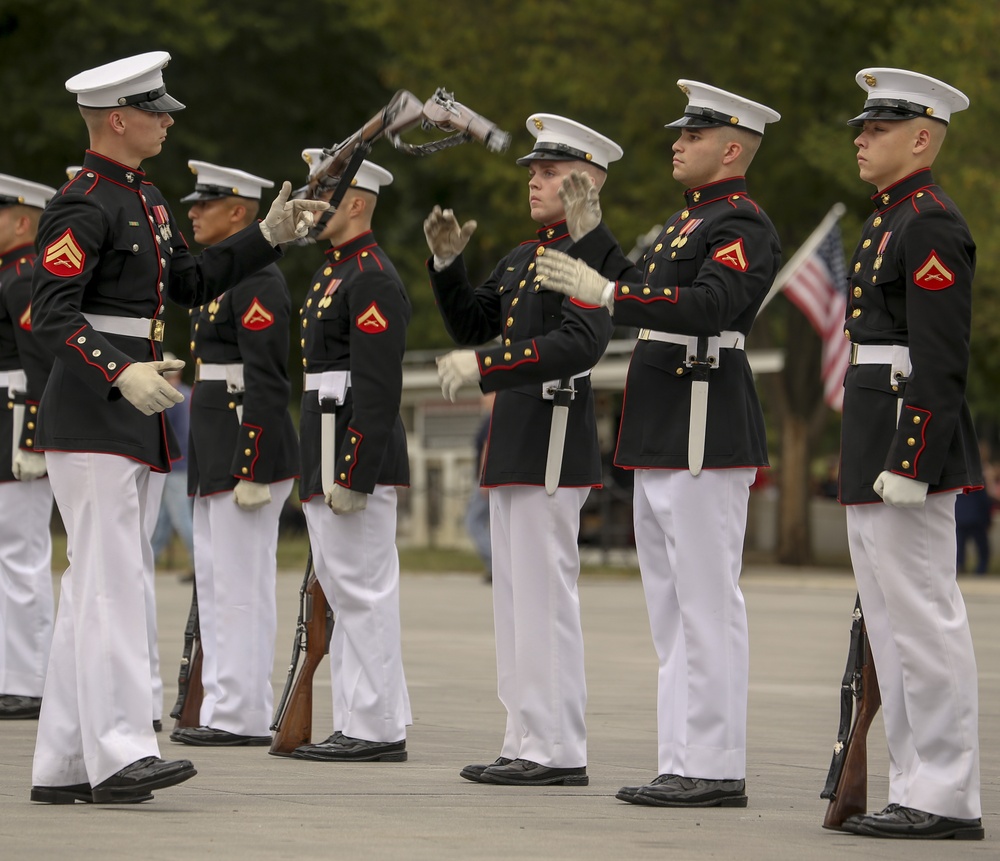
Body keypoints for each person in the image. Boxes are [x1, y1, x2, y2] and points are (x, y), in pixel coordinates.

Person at [28, 52, 326, 804]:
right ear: (118, 119)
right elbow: (53, 309)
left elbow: (188, 283)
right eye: (156, 109)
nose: (168, 118)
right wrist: (115, 367)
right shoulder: (82, 201)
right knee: (111, 586)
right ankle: (121, 753)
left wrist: (268, 237)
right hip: (96, 407)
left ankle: (64, 762)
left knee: (97, 585)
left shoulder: (145, 199)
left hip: (124, 410)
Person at [536, 82, 781, 806]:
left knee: (707, 604)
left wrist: (606, 290)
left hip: (706, 426)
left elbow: (709, 305)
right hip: (665, 429)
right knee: (670, 609)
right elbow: (642, 286)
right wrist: (595, 236)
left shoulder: (741, 223)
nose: (676, 142)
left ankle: (714, 764)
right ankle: (683, 757)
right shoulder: (687, 223)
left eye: (694, 134)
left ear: (731, 148)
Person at [425, 114, 631, 787]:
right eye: (534, 172)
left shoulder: (587, 255)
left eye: (548, 173)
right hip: (516, 436)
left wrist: (484, 364)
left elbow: (580, 344)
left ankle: (557, 746)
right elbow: (474, 319)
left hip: (551, 435)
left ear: (584, 182)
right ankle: (523, 737)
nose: (534, 182)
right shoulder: (523, 255)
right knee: (515, 602)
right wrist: (449, 268)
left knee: (545, 599)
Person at [834, 68, 984, 840]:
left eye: (878, 128)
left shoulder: (927, 222)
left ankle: (948, 794)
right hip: (876, 434)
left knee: (924, 618)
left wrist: (914, 455)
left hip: (904, 442)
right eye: (863, 127)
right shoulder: (891, 218)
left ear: (921, 137)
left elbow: (939, 353)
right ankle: (915, 782)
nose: (861, 139)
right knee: (891, 627)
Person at [169, 162, 299, 748]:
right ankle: (222, 702)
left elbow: (269, 381)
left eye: (206, 204)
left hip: (246, 452)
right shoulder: (222, 278)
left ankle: (242, 711)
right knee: (219, 583)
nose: (192, 211)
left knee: (242, 584)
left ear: (241, 213)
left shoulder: (258, 280)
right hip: (215, 449)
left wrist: (253, 465)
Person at [289, 156, 412, 764]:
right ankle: (362, 719)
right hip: (325, 438)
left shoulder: (371, 277)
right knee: (343, 588)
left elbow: (378, 387)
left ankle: (377, 727)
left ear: (357, 203)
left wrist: (355, 470)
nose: (312, 205)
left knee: (363, 589)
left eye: (324, 194)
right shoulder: (335, 272)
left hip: (350, 446)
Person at [0, 174, 56, 721]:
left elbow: (39, 361)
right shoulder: (9, 274)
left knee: (22, 554)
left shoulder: (22, 276)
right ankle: (12, 673)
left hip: (18, 420)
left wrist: (35, 437)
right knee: (8, 555)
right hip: (7, 418)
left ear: (21, 221)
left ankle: (30, 678)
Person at [150, 357, 194, 571]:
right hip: (184, 462)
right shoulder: (188, 393)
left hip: (174, 463)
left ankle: (200, 560)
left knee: (181, 518)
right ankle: (149, 557)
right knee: (163, 518)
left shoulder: (169, 396)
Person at [466, 392, 494, 583]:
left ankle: (495, 563)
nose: (483, 399)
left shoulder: (493, 418)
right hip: (488, 479)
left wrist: (484, 478)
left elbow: (488, 447)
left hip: (486, 480)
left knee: (472, 522)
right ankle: (496, 565)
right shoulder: (490, 418)